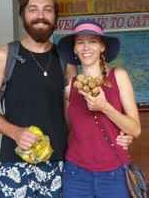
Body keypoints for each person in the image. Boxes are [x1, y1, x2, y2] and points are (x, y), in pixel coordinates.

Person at [0, 0, 132, 198]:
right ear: (23, 14)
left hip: (60, 164)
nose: (40, 16)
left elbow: (78, 113)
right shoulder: (5, 56)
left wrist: (121, 133)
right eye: (33, 9)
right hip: (15, 165)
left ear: (55, 16)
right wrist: (15, 132)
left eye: (47, 9)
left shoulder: (65, 60)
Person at [57, 19, 141, 198]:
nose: (86, 47)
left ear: (102, 47)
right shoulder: (70, 87)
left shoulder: (119, 76)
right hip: (75, 173)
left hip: (114, 172)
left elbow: (135, 129)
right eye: (80, 42)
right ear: (74, 49)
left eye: (92, 41)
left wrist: (104, 107)